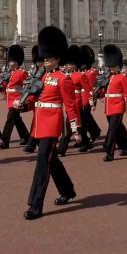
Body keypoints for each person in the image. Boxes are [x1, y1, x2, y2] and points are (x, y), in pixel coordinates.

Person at [23, 26, 81, 221]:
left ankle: (35, 205)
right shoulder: (42, 76)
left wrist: (75, 129)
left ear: (57, 59)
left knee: (42, 162)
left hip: (52, 123)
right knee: (51, 160)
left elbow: (71, 106)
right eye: (44, 58)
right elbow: (35, 99)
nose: (44, 60)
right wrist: (22, 105)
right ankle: (68, 190)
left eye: (48, 58)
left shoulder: (63, 79)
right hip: (39, 122)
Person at [100, 44, 127, 161]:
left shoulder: (123, 78)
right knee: (117, 128)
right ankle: (125, 146)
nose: (111, 67)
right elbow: (105, 91)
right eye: (110, 65)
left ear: (118, 65)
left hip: (118, 105)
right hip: (109, 105)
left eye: (113, 65)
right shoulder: (108, 78)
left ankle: (110, 152)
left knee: (112, 130)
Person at [0, 45, 29, 149]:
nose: (10, 63)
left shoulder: (22, 73)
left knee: (10, 119)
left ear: (17, 62)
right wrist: (1, 87)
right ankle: (26, 137)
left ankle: (4, 141)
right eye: (10, 61)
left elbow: (26, 87)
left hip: (16, 100)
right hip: (9, 98)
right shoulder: (9, 73)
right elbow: (8, 86)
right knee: (16, 120)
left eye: (12, 61)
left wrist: (22, 99)